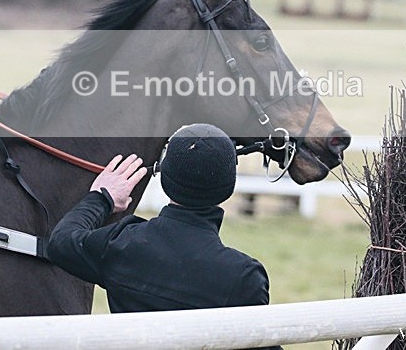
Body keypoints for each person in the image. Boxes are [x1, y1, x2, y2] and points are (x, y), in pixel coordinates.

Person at [47, 124, 279, 331]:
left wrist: (102, 197)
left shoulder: (122, 246)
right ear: (228, 186)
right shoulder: (244, 277)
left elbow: (61, 241)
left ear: (165, 178)